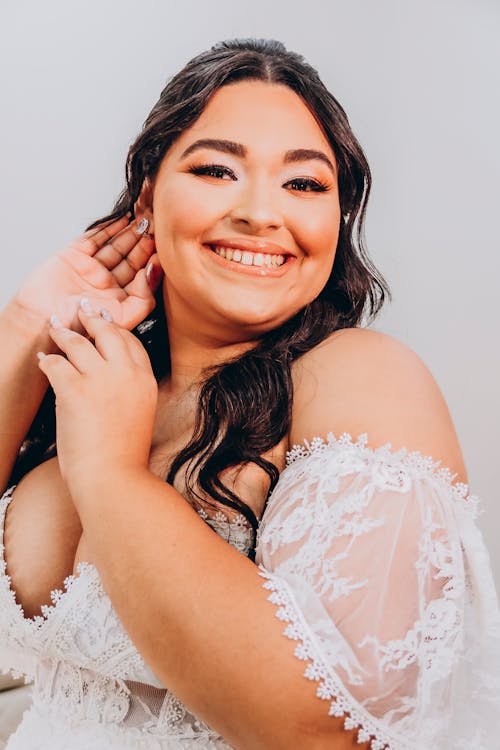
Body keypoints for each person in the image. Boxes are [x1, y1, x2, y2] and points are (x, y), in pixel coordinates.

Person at [0, 37, 498, 750]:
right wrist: (22, 330)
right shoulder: (101, 384)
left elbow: (330, 730)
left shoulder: (361, 376)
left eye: (304, 184)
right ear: (147, 193)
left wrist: (109, 474)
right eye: (216, 169)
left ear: (340, 218)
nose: (263, 213)